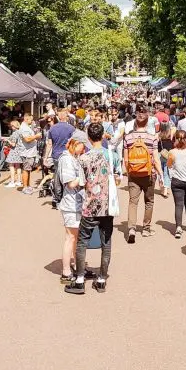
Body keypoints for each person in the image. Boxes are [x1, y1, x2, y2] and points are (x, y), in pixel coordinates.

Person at [65, 123, 118, 294]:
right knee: (106, 242)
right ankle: (101, 279)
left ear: (88, 138)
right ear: (103, 136)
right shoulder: (112, 156)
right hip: (107, 206)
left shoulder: (83, 159)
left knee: (82, 242)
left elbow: (81, 182)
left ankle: (80, 279)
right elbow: (118, 178)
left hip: (90, 205)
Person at [123, 108, 162, 243]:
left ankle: (132, 229)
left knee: (133, 202)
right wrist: (161, 174)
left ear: (135, 123)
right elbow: (156, 158)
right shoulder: (152, 138)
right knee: (149, 201)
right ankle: (146, 228)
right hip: (149, 174)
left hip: (133, 173)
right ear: (147, 124)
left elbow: (126, 159)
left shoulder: (127, 138)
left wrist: (129, 172)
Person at [57, 138, 86, 284]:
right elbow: (70, 184)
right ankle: (66, 270)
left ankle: (76, 265)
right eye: (82, 146)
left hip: (75, 204)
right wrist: (84, 176)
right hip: (70, 204)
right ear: (75, 144)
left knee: (75, 237)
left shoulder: (72, 158)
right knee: (70, 237)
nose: (83, 150)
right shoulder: (66, 160)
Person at [167, 129, 186, 238]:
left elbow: (169, 165)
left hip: (176, 181)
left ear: (175, 139)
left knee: (178, 205)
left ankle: (178, 228)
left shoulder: (172, 152)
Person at [16, 113, 42, 195]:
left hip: (30, 152)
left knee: (28, 169)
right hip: (27, 153)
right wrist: (36, 136)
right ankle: (25, 187)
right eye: (31, 119)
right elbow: (27, 139)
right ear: (26, 119)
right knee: (26, 170)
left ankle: (28, 186)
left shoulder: (27, 127)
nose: (32, 121)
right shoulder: (24, 128)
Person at [158, 120, 174, 198]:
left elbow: (158, 149)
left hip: (160, 157)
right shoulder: (170, 139)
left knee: (160, 173)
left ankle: (161, 188)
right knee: (166, 173)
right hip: (167, 157)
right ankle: (165, 190)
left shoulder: (159, 138)